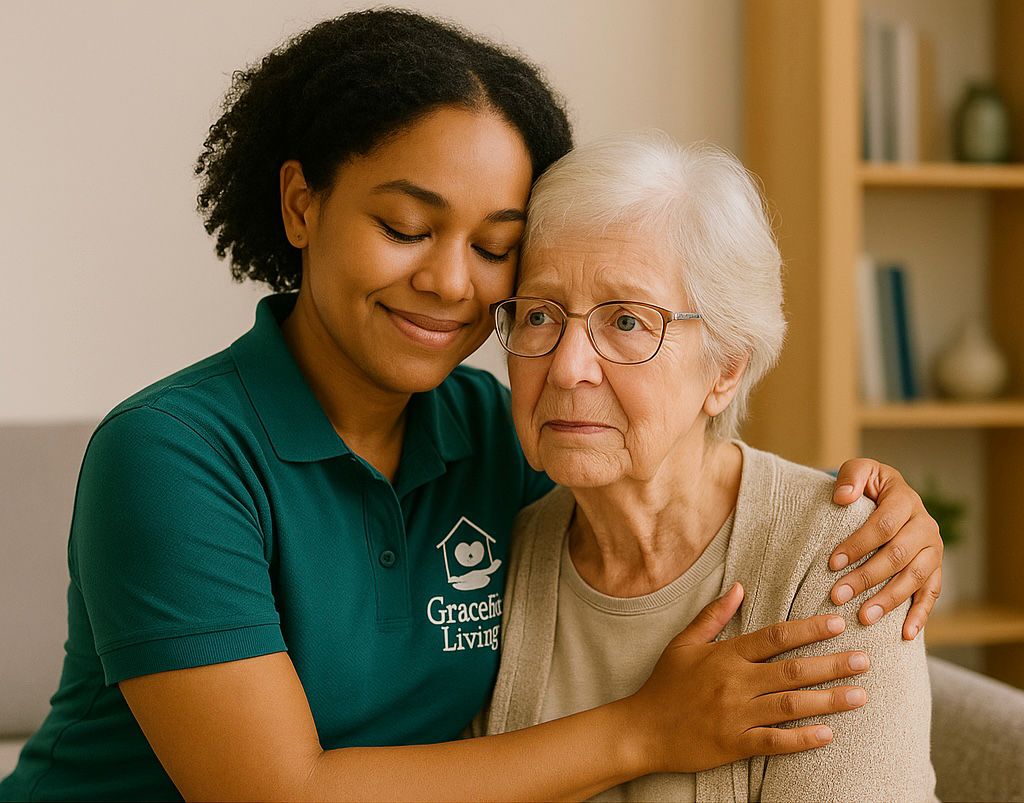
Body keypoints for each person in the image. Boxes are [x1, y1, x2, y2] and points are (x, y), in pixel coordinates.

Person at [0, 10, 942, 802]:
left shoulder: (496, 430)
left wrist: (877, 508)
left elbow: (658, 463)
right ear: (300, 204)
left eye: (495, 248)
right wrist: (645, 730)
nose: (452, 282)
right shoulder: (170, 455)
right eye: (405, 225)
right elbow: (278, 794)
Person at [479, 132, 937, 801]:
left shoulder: (842, 557)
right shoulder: (501, 549)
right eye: (540, 315)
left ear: (725, 368)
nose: (568, 367)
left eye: (627, 322)